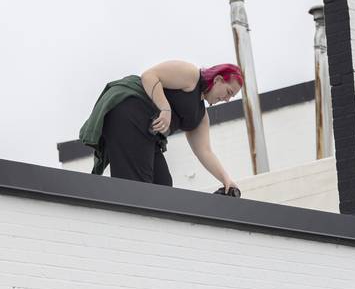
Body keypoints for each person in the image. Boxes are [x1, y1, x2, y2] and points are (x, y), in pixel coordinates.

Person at [79, 60, 241, 192]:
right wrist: (165, 107)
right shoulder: (191, 75)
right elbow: (149, 76)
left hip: (148, 134)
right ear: (218, 80)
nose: (227, 99)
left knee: (162, 186)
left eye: (231, 97)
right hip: (130, 113)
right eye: (228, 92)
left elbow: (204, 151)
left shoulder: (200, 116)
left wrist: (226, 179)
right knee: (137, 187)